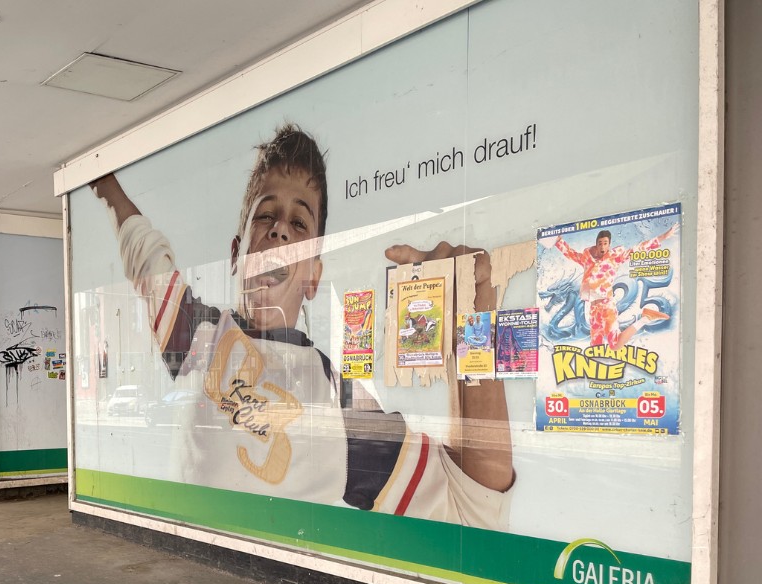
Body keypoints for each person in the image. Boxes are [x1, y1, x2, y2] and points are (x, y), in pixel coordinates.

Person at [91, 123, 513, 527]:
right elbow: (144, 250)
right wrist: (98, 177)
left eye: (299, 223)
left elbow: (474, 506)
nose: (279, 232)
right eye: (266, 216)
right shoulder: (198, 336)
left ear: (312, 276)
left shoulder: (338, 400)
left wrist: (473, 308)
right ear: (236, 256)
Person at [554, 224, 676, 348]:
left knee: (616, 344)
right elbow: (571, 254)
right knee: (595, 348)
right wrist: (558, 241)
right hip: (593, 308)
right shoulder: (587, 259)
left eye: (605, 243)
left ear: (609, 245)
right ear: (596, 244)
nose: (602, 246)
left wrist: (663, 237)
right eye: (600, 243)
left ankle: (646, 318)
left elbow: (638, 249)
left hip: (607, 306)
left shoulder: (614, 258)